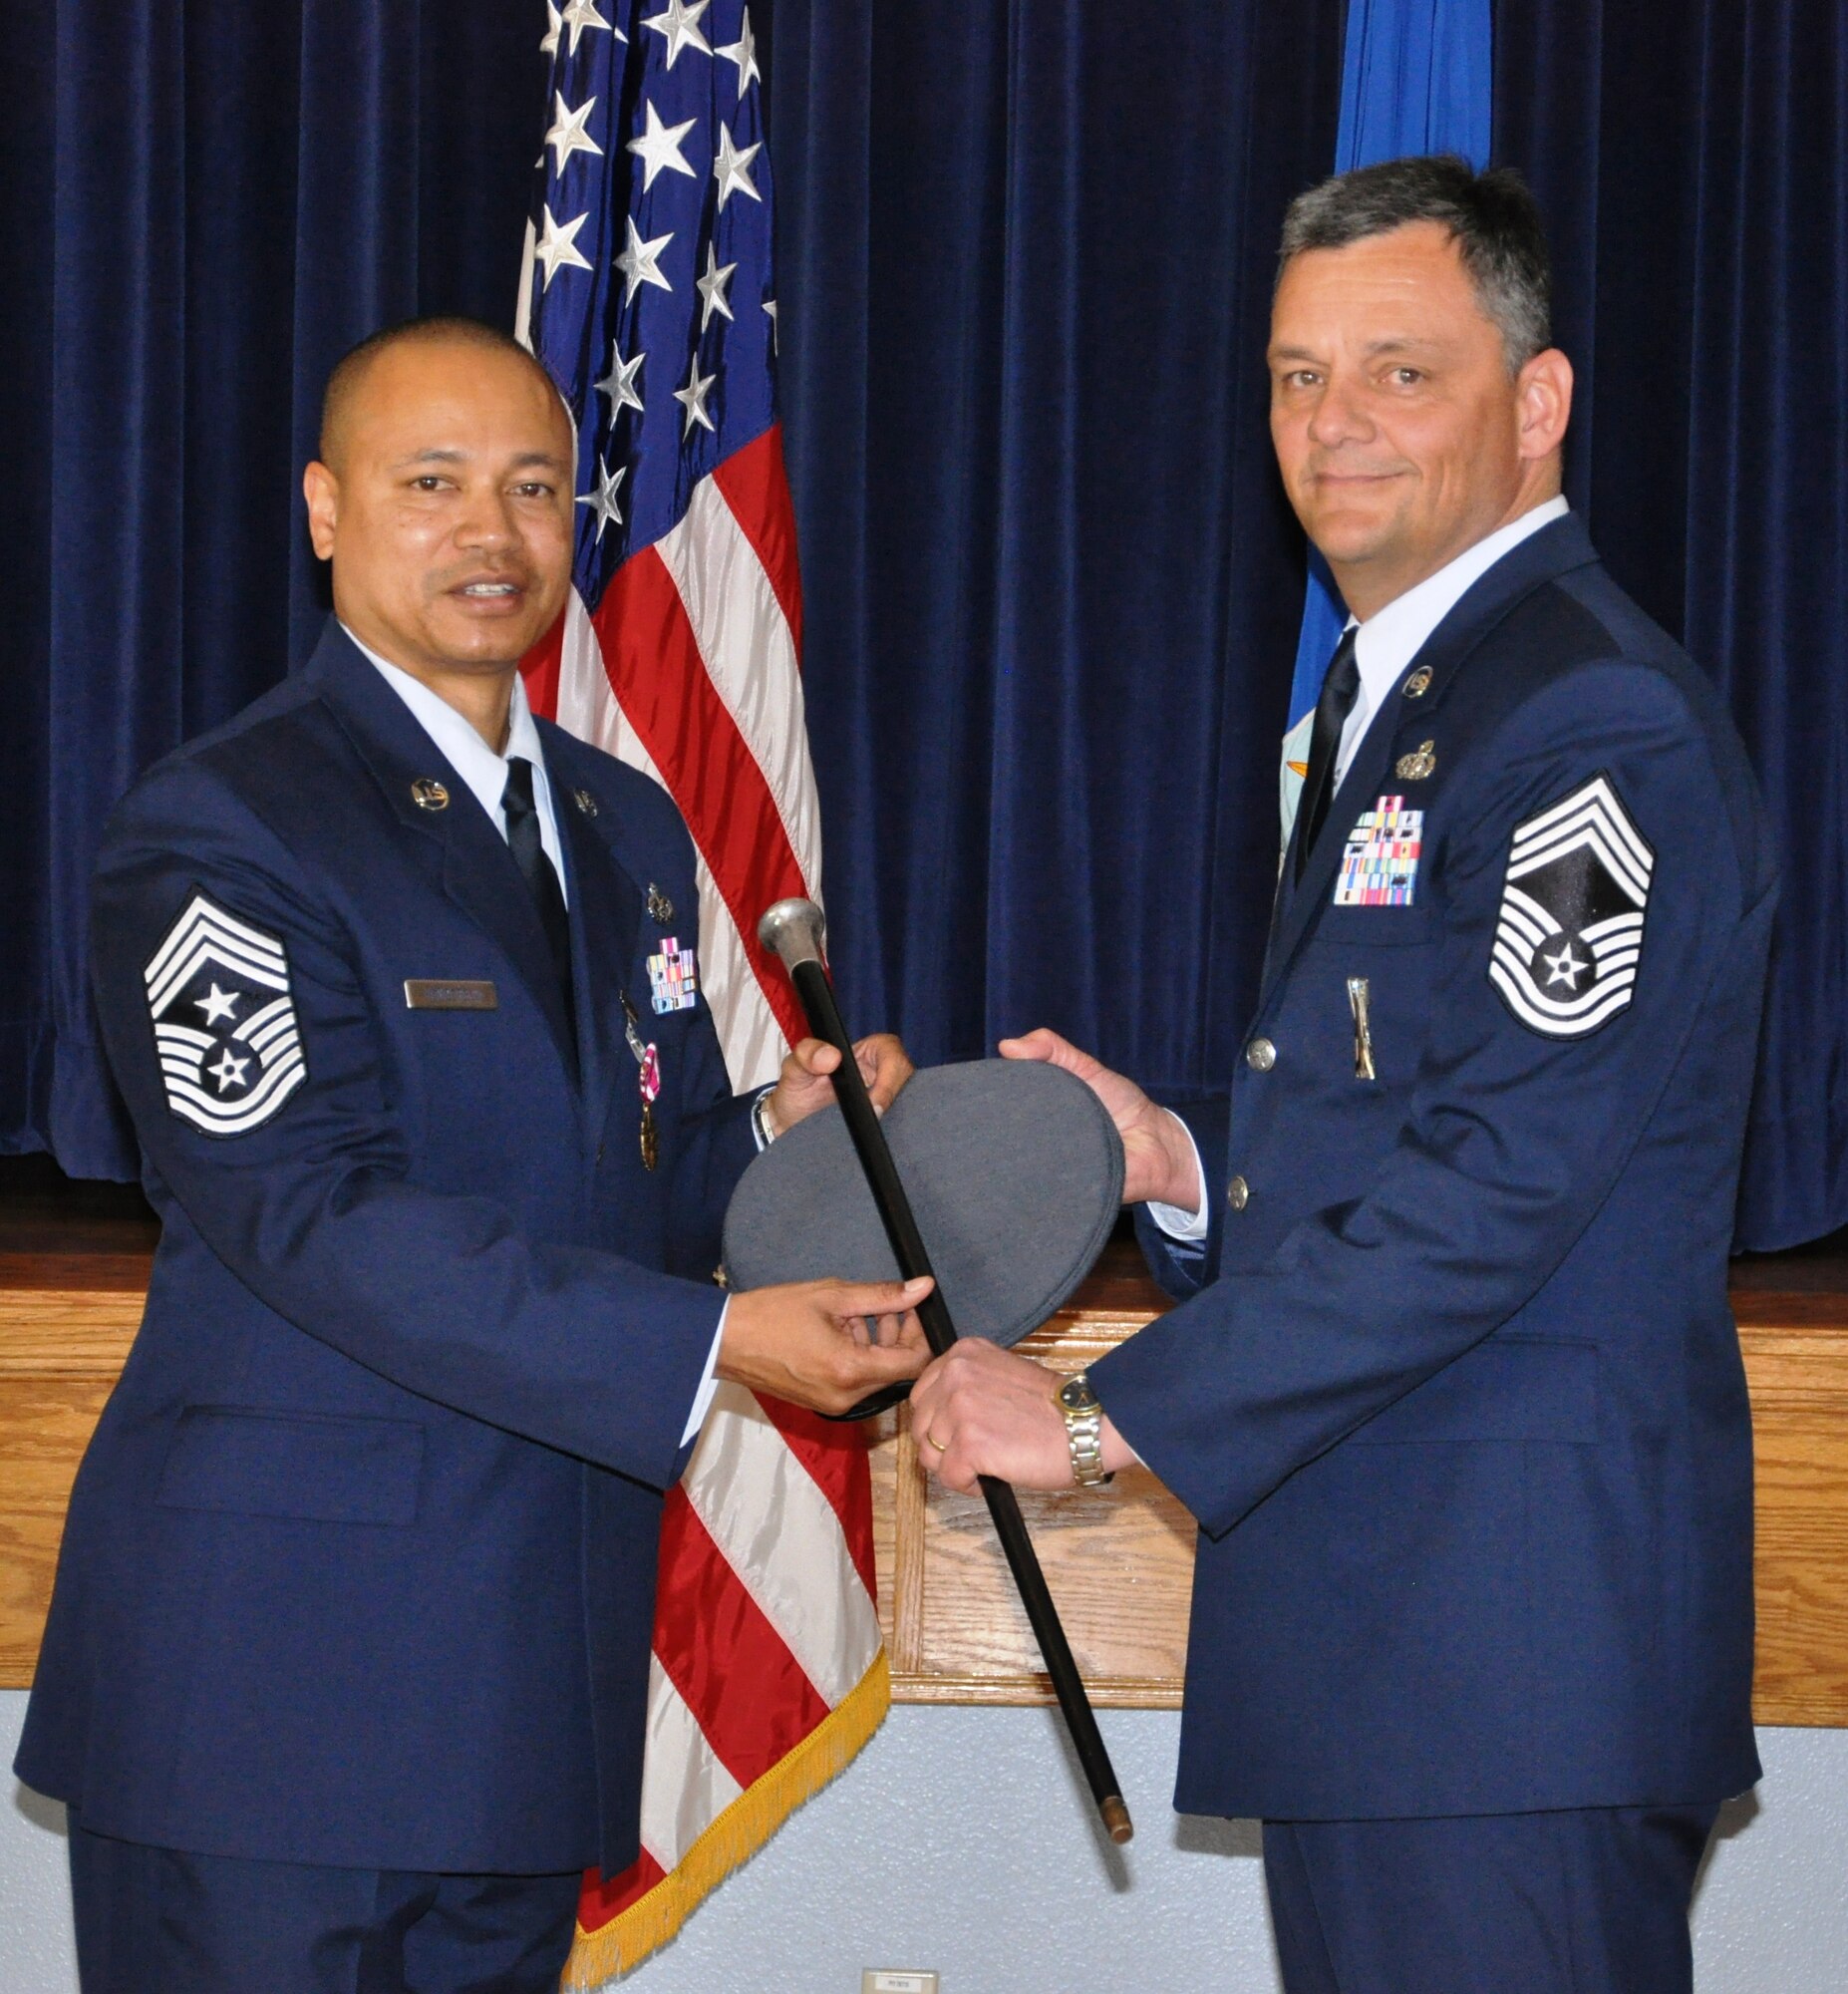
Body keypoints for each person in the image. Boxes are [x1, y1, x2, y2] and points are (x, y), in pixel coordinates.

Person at [910, 158, 1773, 1994]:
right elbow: (1393, 1129)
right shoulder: (1424, 705)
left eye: (1400, 370)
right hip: (1408, 1658)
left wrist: (1088, 1425)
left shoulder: (1584, 720)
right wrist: (1178, 1166)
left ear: (1534, 406)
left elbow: (1492, 1193)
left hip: (1500, 1667)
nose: (1333, 423)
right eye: (1298, 375)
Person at [16, 317, 930, 1993]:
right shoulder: (223, 823)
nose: (490, 534)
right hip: (272, 1714)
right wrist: (719, 1342)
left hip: (525, 1693)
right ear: (322, 509)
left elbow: (624, 1177)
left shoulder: (620, 821)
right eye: (428, 484)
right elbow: (314, 1213)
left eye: (529, 488)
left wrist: (771, 1142)